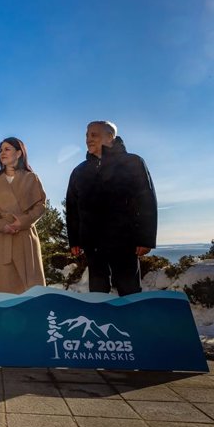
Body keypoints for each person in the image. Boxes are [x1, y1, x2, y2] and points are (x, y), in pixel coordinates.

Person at [66, 120, 157, 296]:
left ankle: (132, 323)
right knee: (97, 292)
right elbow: (72, 206)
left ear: (110, 137)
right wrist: (75, 240)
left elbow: (147, 200)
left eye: (94, 135)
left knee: (129, 290)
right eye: (87, 135)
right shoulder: (79, 171)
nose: (88, 139)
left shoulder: (133, 162)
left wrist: (145, 239)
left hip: (125, 240)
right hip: (93, 243)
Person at [0, 137, 47, 294]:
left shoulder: (31, 178)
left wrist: (23, 221)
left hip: (25, 236)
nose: (2, 153)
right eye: (0, 150)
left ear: (19, 153)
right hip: (3, 237)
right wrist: (1, 225)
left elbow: (40, 205)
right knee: (6, 289)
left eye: (7, 149)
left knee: (31, 287)